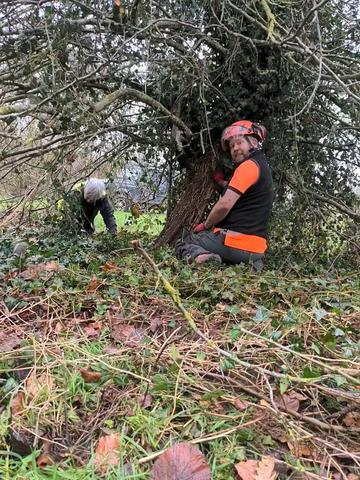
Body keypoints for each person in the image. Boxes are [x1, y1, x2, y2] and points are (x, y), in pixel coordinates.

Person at [175, 120, 273, 272]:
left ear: (253, 142)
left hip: (233, 241)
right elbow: (242, 195)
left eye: (239, 143)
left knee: (183, 240)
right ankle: (252, 267)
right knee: (240, 261)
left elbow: (225, 204)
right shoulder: (262, 168)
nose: (235, 148)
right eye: (232, 146)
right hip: (256, 251)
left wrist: (205, 225)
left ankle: (202, 257)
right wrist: (221, 182)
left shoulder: (248, 166)